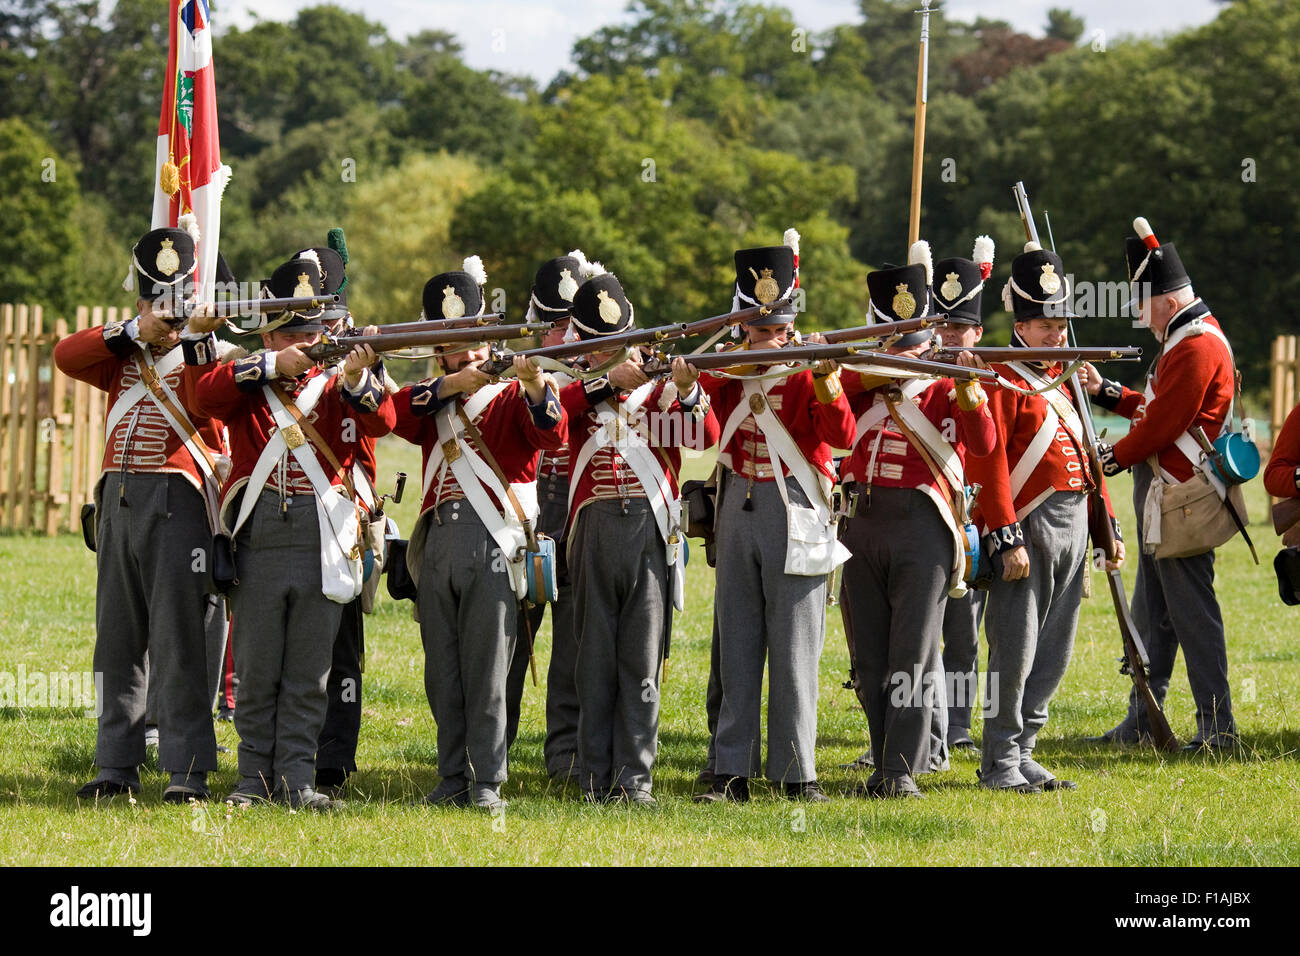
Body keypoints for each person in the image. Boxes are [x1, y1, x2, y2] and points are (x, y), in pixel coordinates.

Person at [184, 250, 394, 810]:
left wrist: (355, 376)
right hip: (260, 532)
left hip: (325, 531)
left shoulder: (342, 382)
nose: (308, 340)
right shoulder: (253, 378)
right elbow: (202, 394)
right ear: (274, 338)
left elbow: (385, 420)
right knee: (256, 667)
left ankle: (298, 779)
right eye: (296, 333)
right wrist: (274, 368)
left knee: (309, 668)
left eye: (314, 330)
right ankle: (253, 778)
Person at [55, 226, 224, 803]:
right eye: (151, 301)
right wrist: (134, 331)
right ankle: (115, 764)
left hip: (178, 500)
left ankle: (187, 768)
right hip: (117, 500)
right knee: (117, 640)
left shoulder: (210, 353)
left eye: (170, 301)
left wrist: (195, 340)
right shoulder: (120, 350)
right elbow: (64, 354)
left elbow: (209, 403)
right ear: (140, 302)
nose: (161, 312)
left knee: (180, 639)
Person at [393, 257, 566, 810]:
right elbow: (395, 416)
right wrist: (452, 382)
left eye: (471, 341)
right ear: (437, 348)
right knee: (442, 669)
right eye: (451, 343)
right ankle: (451, 777)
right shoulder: (432, 394)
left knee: (490, 666)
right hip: (438, 536)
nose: (464, 351)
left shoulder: (512, 394)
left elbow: (552, 432)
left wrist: (536, 383)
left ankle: (487, 780)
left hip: (495, 540)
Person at [696, 232, 855, 803]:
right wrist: (688, 384)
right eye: (762, 330)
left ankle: (796, 771)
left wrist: (825, 377)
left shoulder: (807, 368)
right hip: (737, 503)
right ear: (742, 324)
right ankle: (730, 769)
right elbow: (700, 434)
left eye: (780, 330)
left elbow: (841, 436)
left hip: (797, 504)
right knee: (735, 643)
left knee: (795, 648)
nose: (772, 340)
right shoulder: (724, 369)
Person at [839, 242, 996, 799]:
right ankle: (882, 756)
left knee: (911, 651)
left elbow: (982, 444)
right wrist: (854, 371)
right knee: (869, 653)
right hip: (860, 518)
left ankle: (902, 767)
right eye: (891, 338)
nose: (902, 348)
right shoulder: (860, 375)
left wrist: (971, 388)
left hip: (923, 522)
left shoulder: (945, 378)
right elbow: (832, 427)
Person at [966, 243, 1123, 793]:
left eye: (1061, 323)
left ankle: (1025, 746)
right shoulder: (1001, 377)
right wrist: (1006, 535)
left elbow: (1087, 456)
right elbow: (989, 463)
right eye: (1047, 324)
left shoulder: (1067, 377)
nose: (1058, 333)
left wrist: (1105, 530)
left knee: (1054, 649)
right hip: (1027, 527)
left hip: (1075, 525)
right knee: (1015, 647)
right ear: (1022, 325)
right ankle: (1000, 759)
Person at [560, 268, 718, 804]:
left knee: (642, 657)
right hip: (593, 525)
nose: (615, 352)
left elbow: (700, 436)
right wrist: (606, 382)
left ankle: (635, 778)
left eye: (622, 341)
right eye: (604, 344)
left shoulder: (658, 392)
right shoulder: (571, 386)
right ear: (582, 341)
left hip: (649, 527)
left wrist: (688, 388)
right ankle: (592, 774)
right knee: (593, 656)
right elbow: (552, 425)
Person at [1084, 219, 1238, 752]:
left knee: (1192, 618)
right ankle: (1143, 721)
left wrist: (1112, 456)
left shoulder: (1195, 346)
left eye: (1143, 303)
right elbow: (1154, 408)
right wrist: (1106, 391)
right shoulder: (1182, 339)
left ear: (1167, 303)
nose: (1139, 314)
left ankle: (1218, 729)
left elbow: (1164, 424)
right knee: (1154, 618)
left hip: (1181, 501)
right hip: (1164, 501)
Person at [503, 251, 591, 782]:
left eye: (571, 324)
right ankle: (494, 747)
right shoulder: (522, 373)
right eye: (554, 325)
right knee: (510, 641)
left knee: (576, 646)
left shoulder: (604, 368)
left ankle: (566, 755)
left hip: (579, 517)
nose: (563, 336)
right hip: (527, 517)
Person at [932, 238, 994, 754]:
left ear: (978, 332)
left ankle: (957, 726)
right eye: (944, 325)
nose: (951, 336)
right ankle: (916, 728)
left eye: (961, 327)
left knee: (964, 634)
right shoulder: (917, 374)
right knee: (918, 632)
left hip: (976, 514)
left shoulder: (989, 376)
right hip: (929, 510)